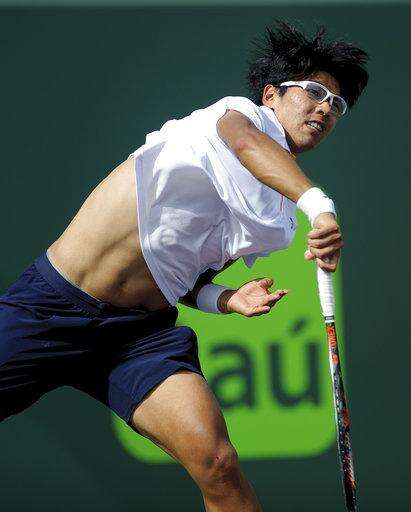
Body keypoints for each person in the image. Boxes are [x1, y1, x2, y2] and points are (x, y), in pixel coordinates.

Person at [0, 20, 368, 512]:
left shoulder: (279, 218)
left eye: (337, 105)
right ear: (272, 95)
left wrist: (226, 298)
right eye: (315, 92)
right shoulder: (237, 117)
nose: (326, 108)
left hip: (137, 337)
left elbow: (188, 278)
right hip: (51, 306)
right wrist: (319, 205)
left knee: (218, 462)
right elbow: (247, 147)